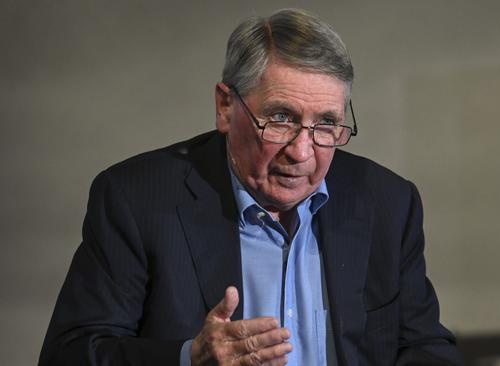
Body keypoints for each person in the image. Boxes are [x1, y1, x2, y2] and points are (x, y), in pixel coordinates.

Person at [39, 8, 463, 366]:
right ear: (226, 107)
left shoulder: (387, 202)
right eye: (280, 118)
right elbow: (70, 354)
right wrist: (188, 357)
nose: (302, 152)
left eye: (326, 125)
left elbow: (424, 348)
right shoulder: (137, 199)